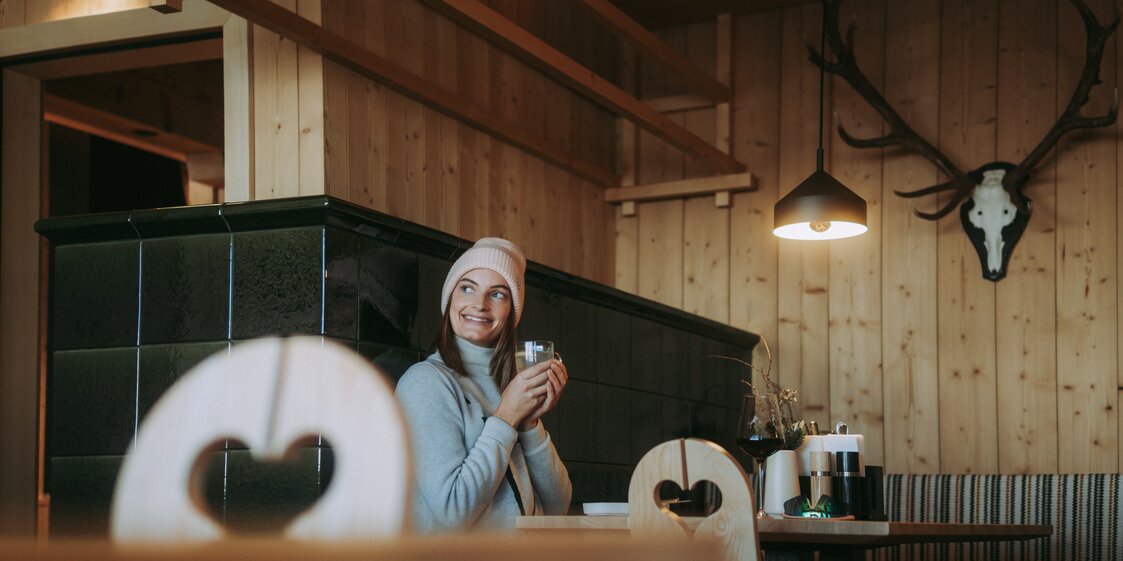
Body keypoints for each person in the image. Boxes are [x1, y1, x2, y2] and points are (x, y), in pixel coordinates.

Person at [395, 237, 572, 533]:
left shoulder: (511, 388)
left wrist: (529, 422)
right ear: (450, 298)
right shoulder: (425, 383)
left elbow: (558, 507)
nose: (480, 304)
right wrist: (506, 417)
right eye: (467, 288)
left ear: (512, 311)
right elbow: (453, 510)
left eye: (498, 294)